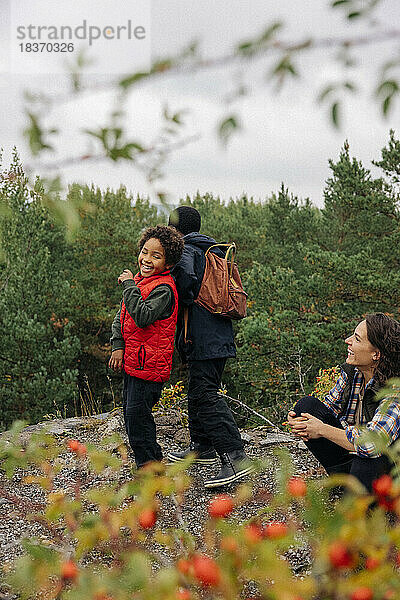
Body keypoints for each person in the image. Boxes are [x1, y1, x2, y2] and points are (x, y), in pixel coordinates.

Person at [166, 205, 253, 488]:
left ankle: (235, 457)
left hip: (203, 337)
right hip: (218, 335)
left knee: (205, 394)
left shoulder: (188, 253)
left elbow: (185, 287)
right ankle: (202, 448)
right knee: (197, 390)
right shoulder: (213, 251)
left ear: (174, 230)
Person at [288, 313, 400, 492]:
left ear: (376, 354)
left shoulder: (394, 391)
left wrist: (321, 429)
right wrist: (301, 421)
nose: (348, 341)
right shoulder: (353, 373)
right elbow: (327, 409)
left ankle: (370, 499)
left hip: (383, 467)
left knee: (366, 458)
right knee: (306, 407)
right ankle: (343, 483)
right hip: (353, 454)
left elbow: (372, 444)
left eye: (356, 339)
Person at [109, 225, 184, 468]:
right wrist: (117, 345)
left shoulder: (163, 289)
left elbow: (142, 316)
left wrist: (129, 284)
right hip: (134, 362)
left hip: (150, 366)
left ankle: (150, 466)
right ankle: (150, 462)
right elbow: (121, 316)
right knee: (131, 417)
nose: (147, 259)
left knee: (137, 417)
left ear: (168, 263)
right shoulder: (141, 282)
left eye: (156, 255)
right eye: (145, 252)